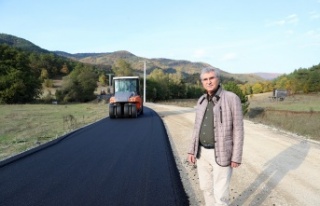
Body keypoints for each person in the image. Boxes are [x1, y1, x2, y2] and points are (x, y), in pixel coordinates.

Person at [188, 67, 244, 206]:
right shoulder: (201, 100)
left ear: (218, 79)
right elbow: (196, 128)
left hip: (222, 152)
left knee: (220, 194)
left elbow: (238, 129)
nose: (209, 82)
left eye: (211, 78)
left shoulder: (231, 98)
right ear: (202, 82)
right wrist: (191, 150)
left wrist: (236, 156)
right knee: (206, 188)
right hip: (202, 153)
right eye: (205, 79)